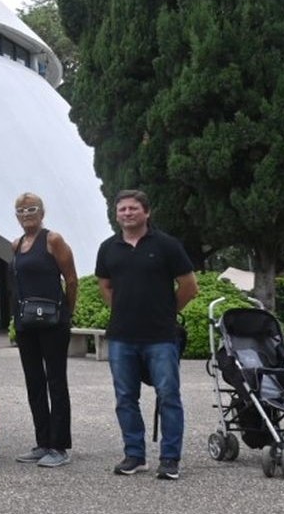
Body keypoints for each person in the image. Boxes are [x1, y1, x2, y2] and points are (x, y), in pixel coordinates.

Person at [96, 189, 197, 481]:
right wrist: (123, 310)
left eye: (133, 208)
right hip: (121, 336)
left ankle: (169, 459)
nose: (127, 213)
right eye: (122, 209)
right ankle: (134, 455)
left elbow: (189, 286)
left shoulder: (167, 245)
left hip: (161, 336)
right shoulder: (108, 248)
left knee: (168, 396)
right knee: (125, 397)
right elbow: (105, 285)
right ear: (116, 214)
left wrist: (166, 312)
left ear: (146, 212)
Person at [10, 193, 78, 468]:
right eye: (21, 210)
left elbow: (71, 279)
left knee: (56, 381)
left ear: (42, 212)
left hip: (53, 321)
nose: (27, 213)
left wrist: (67, 313)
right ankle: (43, 441)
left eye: (32, 208)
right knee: (34, 382)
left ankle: (59, 445)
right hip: (26, 322)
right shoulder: (15, 245)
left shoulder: (53, 240)